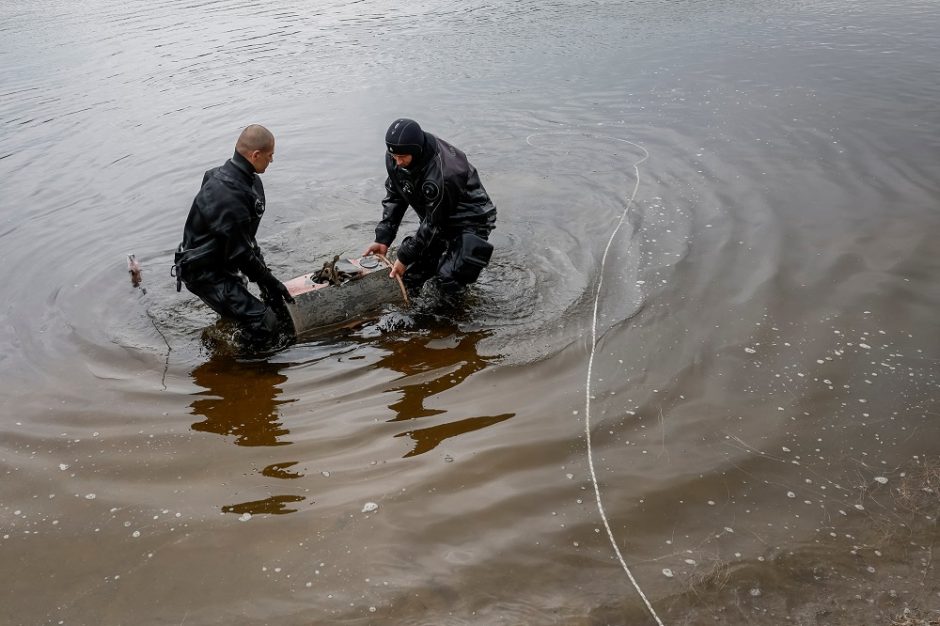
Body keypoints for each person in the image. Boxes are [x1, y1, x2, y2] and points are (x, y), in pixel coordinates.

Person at [173, 124, 294, 348]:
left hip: (223, 260)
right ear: (255, 155)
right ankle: (240, 364)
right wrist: (273, 282)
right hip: (204, 272)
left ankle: (227, 335)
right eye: (270, 156)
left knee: (250, 308)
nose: (271, 161)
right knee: (264, 323)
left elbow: (246, 240)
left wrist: (267, 282)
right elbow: (241, 254)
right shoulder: (226, 194)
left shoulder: (248, 181)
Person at [363, 118, 497, 298]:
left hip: (471, 218)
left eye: (402, 157)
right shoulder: (396, 156)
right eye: (393, 156)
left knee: (448, 278)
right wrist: (383, 237)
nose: (397, 162)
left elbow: (434, 224)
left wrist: (404, 256)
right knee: (410, 275)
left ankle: (455, 319)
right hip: (436, 213)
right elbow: (396, 196)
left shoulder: (444, 173)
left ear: (416, 151)